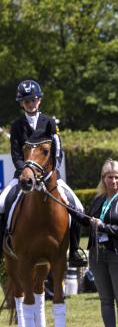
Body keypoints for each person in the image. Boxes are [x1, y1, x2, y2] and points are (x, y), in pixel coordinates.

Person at [0, 79, 86, 269]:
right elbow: (16, 153)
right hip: (24, 177)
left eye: (34, 100)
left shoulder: (49, 122)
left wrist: (51, 172)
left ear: (39, 100)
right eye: (27, 101)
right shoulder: (17, 126)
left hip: (49, 177)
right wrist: (25, 170)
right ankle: (3, 247)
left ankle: (74, 252)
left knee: (77, 207)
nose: (31, 103)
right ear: (21, 103)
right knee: (1, 203)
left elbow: (58, 148)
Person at [73, 160, 118, 327]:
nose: (114, 181)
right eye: (110, 177)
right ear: (104, 179)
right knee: (105, 299)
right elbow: (88, 222)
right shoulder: (99, 200)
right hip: (97, 255)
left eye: (117, 177)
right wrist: (72, 210)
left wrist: (104, 227)